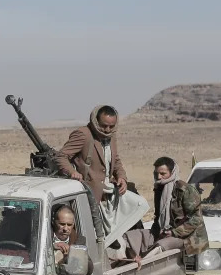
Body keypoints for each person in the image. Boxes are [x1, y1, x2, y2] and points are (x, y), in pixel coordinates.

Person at [55, 105, 149, 248]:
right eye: (104, 126)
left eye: (111, 126)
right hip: (90, 191)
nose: (107, 130)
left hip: (107, 189)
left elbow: (115, 160)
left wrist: (122, 177)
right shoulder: (83, 135)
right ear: (96, 121)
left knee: (139, 204)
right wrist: (71, 172)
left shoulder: (111, 137)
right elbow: (61, 156)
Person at [123, 157, 208, 259]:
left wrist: (173, 232)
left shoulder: (185, 190)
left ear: (172, 172)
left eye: (163, 174)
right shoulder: (159, 189)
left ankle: (143, 267)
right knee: (129, 237)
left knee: (161, 245)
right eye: (156, 174)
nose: (159, 177)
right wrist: (155, 233)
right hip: (164, 231)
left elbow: (196, 219)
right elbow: (158, 216)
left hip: (187, 236)